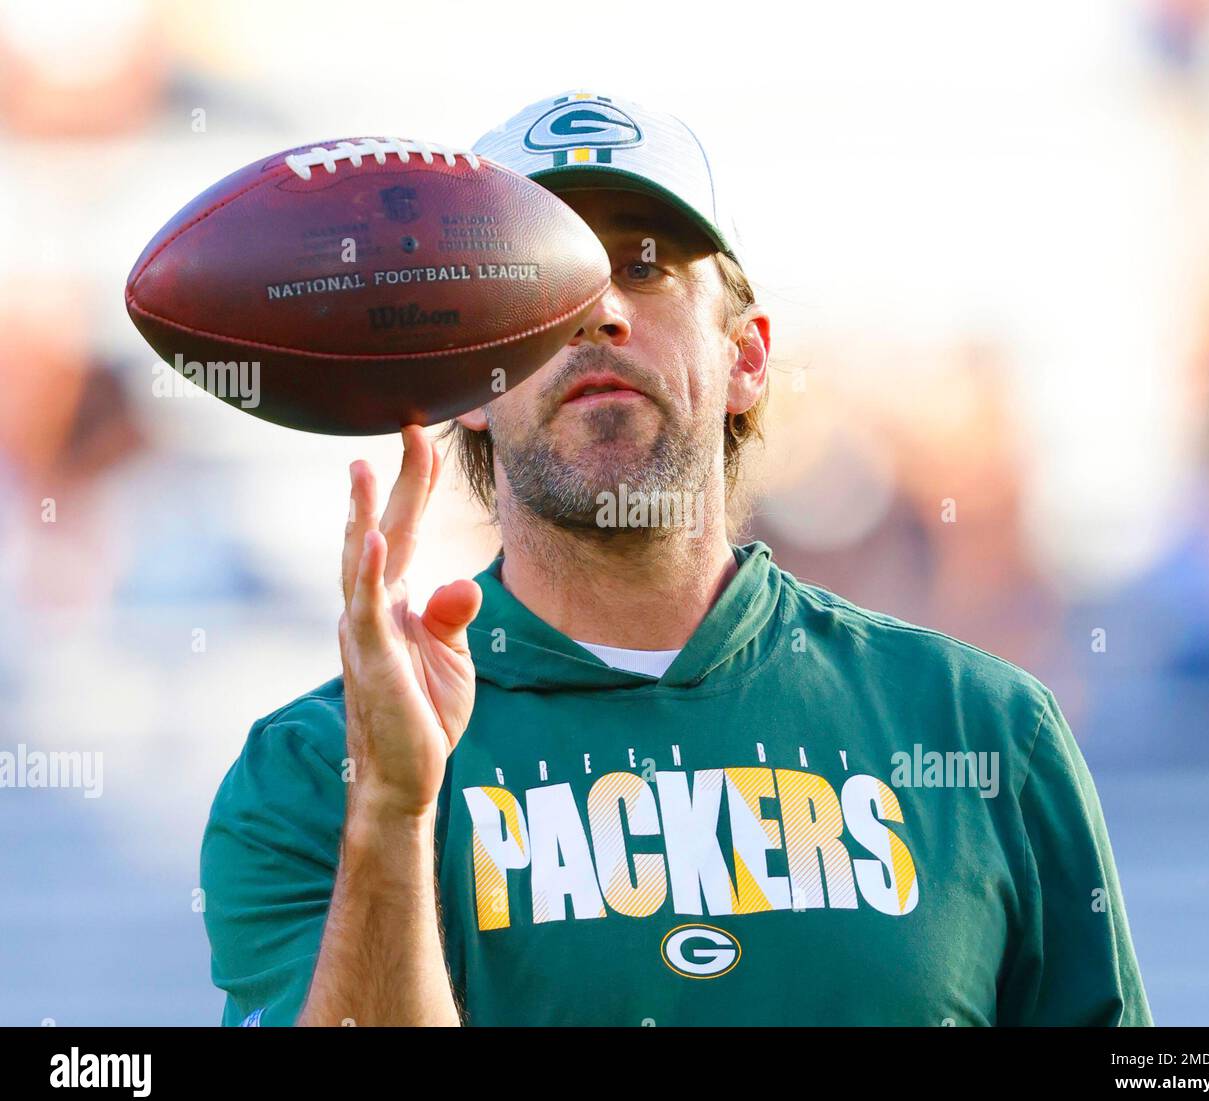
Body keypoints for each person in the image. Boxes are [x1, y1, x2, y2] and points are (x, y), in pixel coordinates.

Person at [200, 90, 1153, 1026]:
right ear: (473, 380)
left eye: (645, 268)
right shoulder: (318, 770)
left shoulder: (978, 729)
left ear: (747, 358)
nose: (600, 310)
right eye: (539, 275)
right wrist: (394, 813)